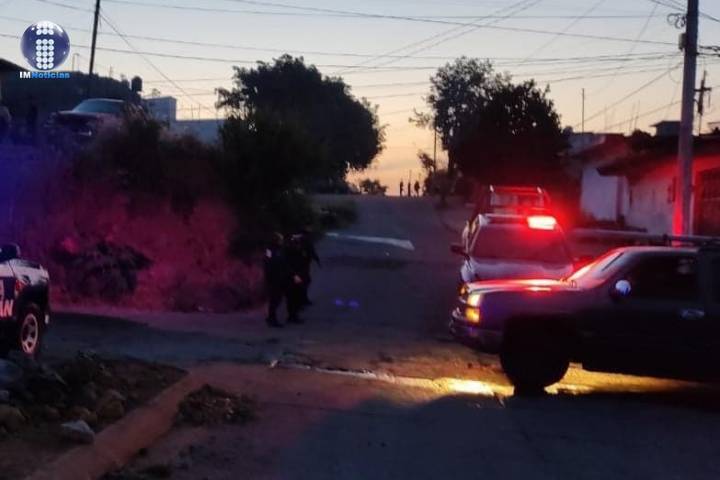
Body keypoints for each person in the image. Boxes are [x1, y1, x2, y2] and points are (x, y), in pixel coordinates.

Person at [263, 232, 290, 328]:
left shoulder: (280, 250)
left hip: (280, 278)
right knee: (274, 299)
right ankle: (272, 319)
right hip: (273, 279)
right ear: (275, 240)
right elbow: (267, 264)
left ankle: (271, 317)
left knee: (278, 298)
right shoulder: (269, 250)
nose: (282, 241)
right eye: (280, 239)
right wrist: (270, 277)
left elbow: (283, 262)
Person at [284, 235, 307, 324]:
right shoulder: (290, 251)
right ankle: (292, 316)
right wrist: (294, 275)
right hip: (292, 276)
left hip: (297, 275)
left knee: (296, 296)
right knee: (293, 297)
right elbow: (288, 264)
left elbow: (302, 262)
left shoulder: (298, 250)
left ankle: (293, 315)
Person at [295, 230, 320, 306]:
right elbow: (312, 252)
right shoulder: (306, 242)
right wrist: (317, 260)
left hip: (299, 265)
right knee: (305, 281)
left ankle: (302, 299)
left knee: (304, 281)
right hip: (302, 265)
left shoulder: (298, 241)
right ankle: (302, 300)